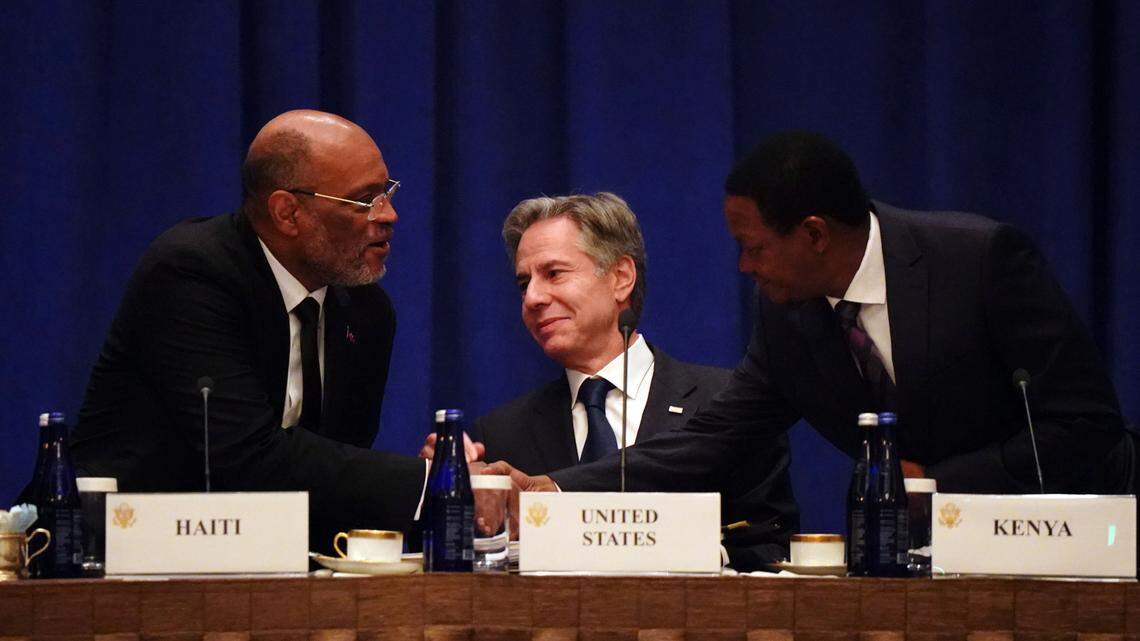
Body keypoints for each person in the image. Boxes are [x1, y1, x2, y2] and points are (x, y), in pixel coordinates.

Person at [495, 131, 1133, 506]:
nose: (745, 267)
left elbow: (1086, 427)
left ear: (815, 235)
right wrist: (551, 490)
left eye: (756, 247)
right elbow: (708, 443)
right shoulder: (788, 317)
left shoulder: (980, 261)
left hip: (1069, 541)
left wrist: (937, 483)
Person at [71, 110, 428, 555]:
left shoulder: (367, 312)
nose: (389, 214)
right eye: (365, 200)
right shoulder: (191, 272)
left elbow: (335, 471)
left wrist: (433, 482)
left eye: (387, 192)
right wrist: (423, 483)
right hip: (120, 563)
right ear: (287, 212)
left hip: (280, 569)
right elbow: (245, 457)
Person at [468, 193, 800, 569]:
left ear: (621, 278)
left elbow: (772, 545)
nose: (532, 298)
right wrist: (446, 488)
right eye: (524, 283)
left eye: (553, 274)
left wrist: (695, 553)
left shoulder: (729, 403)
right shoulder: (501, 435)